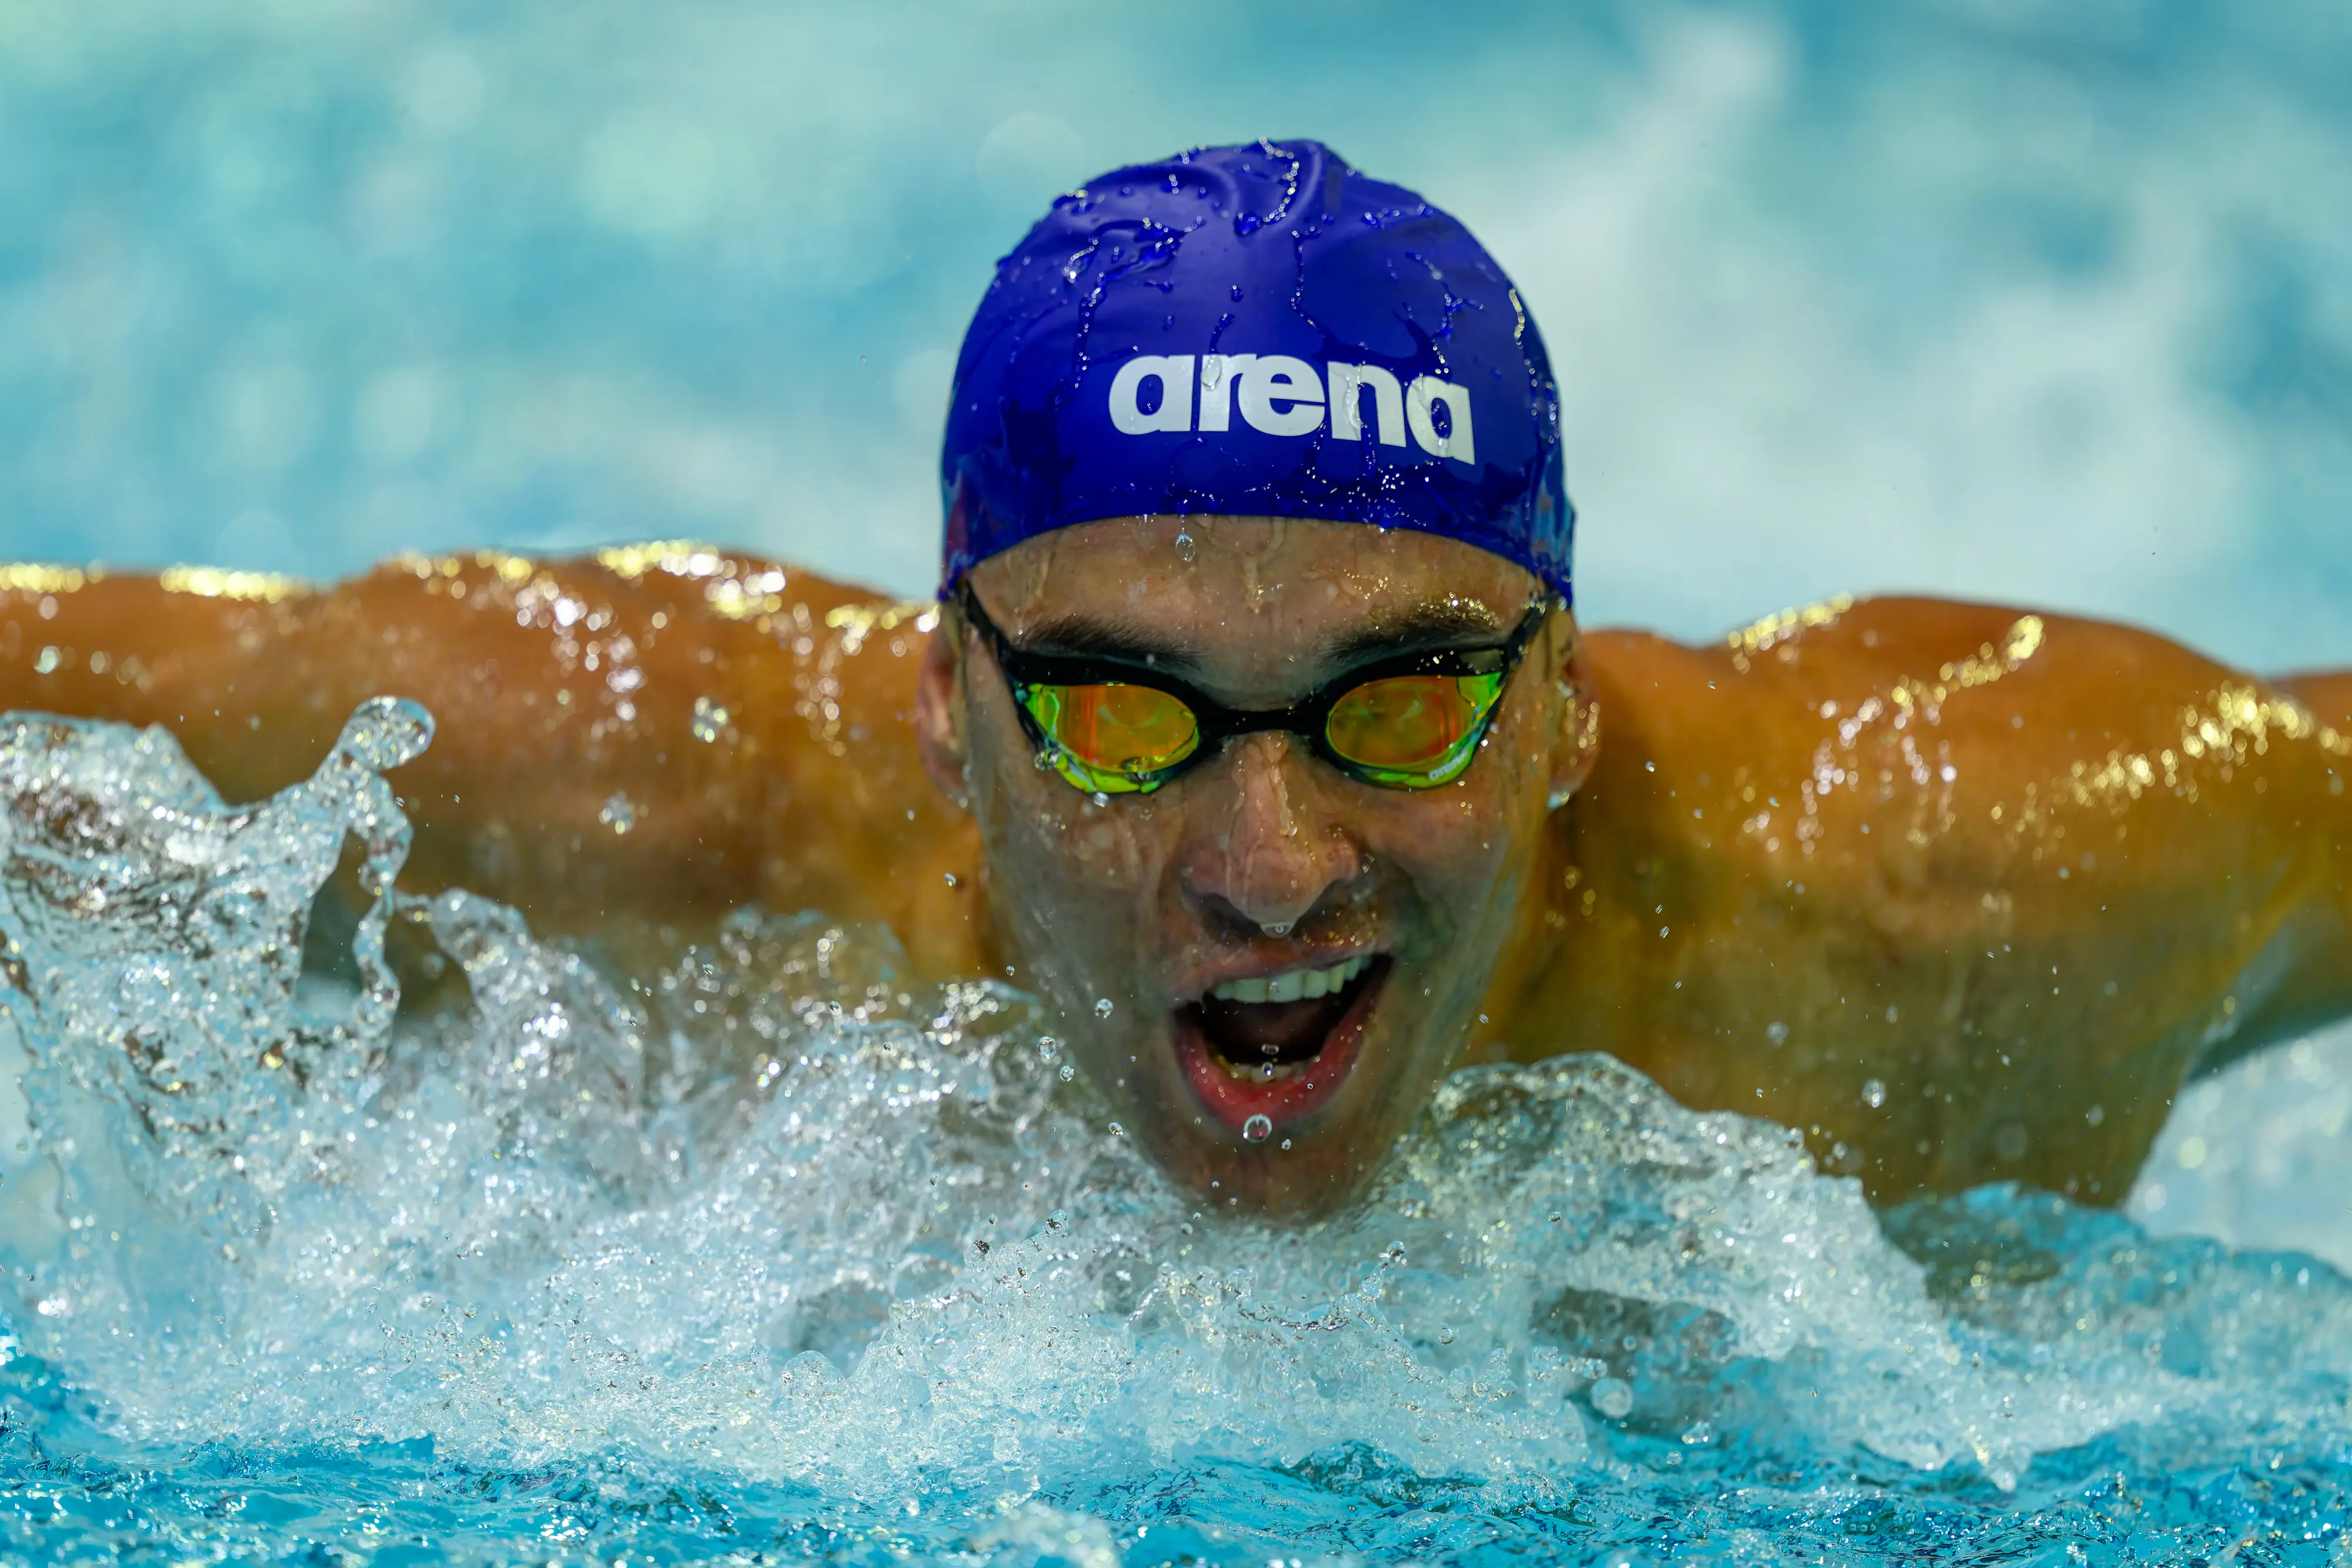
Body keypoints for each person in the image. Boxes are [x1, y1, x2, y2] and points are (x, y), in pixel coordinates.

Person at [4, 142, 2347, 1218]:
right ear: (948, 703)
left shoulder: (1955, 881)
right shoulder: (628, 786)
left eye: (1397, 706)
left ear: (1561, 712)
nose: (1267, 869)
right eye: (1121, 715)